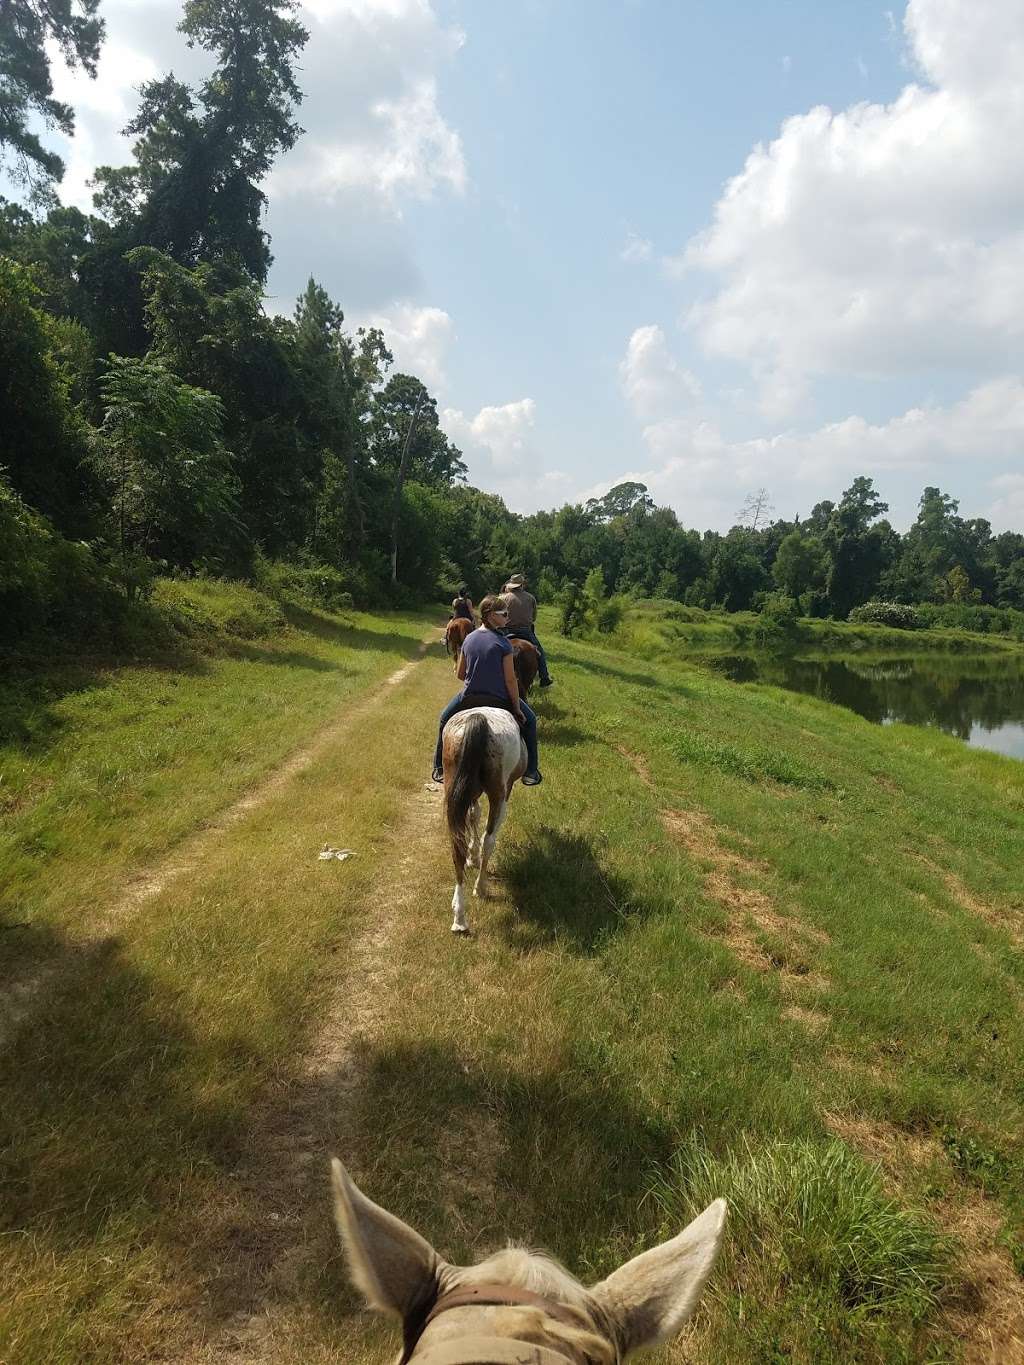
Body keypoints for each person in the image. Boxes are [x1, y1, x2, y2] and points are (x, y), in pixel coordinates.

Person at [432, 595, 542, 787]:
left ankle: (439, 768)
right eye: (504, 614)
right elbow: (510, 679)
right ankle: (531, 771)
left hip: (469, 697)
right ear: (491, 616)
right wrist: (515, 707)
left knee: (444, 718)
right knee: (531, 721)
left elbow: (460, 674)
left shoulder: (468, 640)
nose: (508, 617)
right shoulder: (504, 643)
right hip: (499, 699)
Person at [500, 572, 553, 687]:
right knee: (540, 653)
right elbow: (533, 618)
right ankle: (544, 677)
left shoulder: (502, 598)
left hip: (506, 631)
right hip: (526, 631)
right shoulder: (530, 598)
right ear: (522, 585)